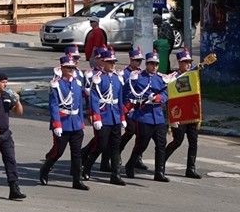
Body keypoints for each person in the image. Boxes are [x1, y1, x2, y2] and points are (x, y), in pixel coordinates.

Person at [39, 55, 88, 190]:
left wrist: (81, 122)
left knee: (77, 153)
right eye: (68, 67)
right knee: (58, 152)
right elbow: (54, 106)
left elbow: (79, 104)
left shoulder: (77, 83)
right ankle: (45, 169)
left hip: (75, 123)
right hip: (63, 123)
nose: (71, 69)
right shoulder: (57, 84)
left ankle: (77, 180)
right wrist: (57, 124)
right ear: (62, 68)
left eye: (73, 67)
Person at [81, 48, 127, 186]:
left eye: (113, 62)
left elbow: (119, 99)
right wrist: (96, 117)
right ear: (104, 63)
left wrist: (122, 117)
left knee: (115, 146)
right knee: (101, 145)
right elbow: (94, 99)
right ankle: (87, 166)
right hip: (104, 116)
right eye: (110, 62)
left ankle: (115, 175)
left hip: (115, 117)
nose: (112, 64)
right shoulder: (98, 79)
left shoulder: (117, 78)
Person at [124, 51, 170, 182]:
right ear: (147, 64)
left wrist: (159, 97)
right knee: (142, 145)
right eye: (151, 64)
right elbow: (128, 92)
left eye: (156, 64)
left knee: (161, 144)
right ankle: (130, 165)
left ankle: (159, 172)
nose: (154, 66)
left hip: (158, 117)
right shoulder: (138, 77)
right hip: (144, 116)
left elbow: (166, 93)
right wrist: (141, 99)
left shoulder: (161, 78)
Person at [164, 49, 203, 179]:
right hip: (179, 115)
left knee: (193, 142)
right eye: (185, 62)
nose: (187, 64)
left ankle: (191, 168)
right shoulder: (174, 77)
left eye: (189, 62)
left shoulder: (193, 75)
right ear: (179, 63)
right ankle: (161, 162)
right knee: (178, 141)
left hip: (192, 113)